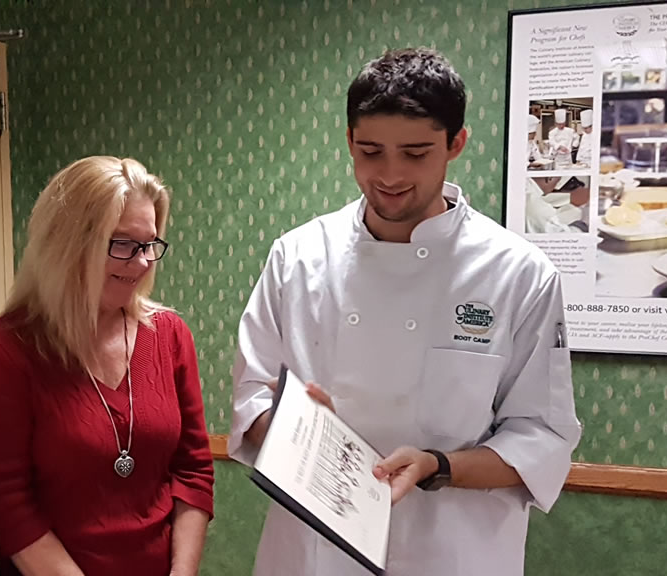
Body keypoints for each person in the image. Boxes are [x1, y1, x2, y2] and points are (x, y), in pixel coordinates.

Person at [228, 48, 582, 576]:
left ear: (455, 144)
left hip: (452, 552)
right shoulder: (297, 257)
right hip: (314, 553)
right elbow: (251, 398)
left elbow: (540, 436)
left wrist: (437, 466)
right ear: (349, 141)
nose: (389, 175)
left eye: (415, 154)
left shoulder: (517, 273)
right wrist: (293, 427)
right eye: (370, 151)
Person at [0, 156, 214, 576]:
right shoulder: (5, 355)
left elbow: (192, 469)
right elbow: (8, 504)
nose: (142, 262)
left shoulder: (169, 335)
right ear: (66, 244)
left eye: (149, 245)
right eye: (122, 244)